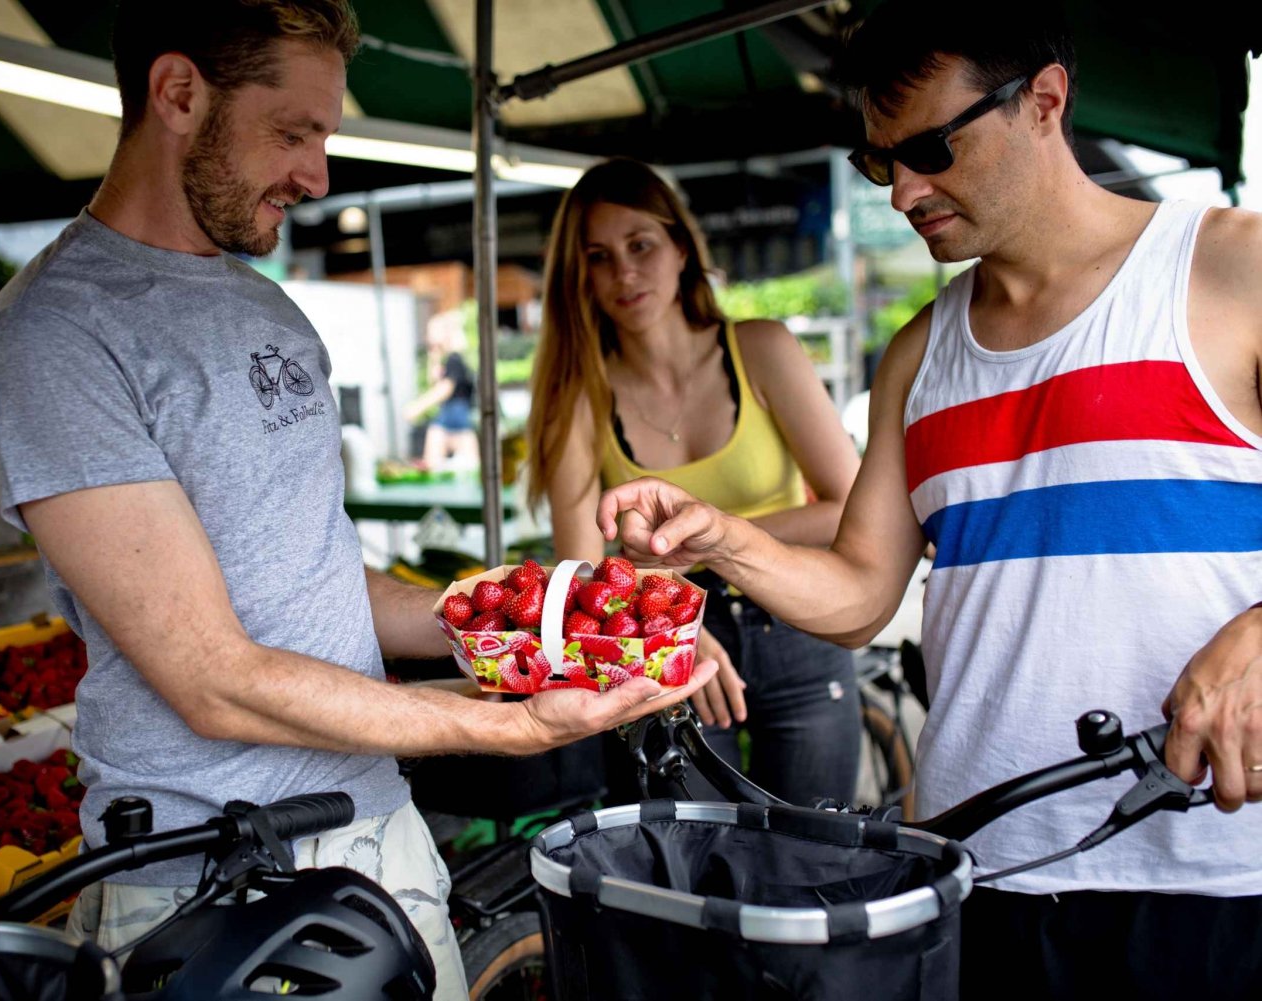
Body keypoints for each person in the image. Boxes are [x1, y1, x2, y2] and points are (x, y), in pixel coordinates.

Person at [0, 2, 715, 995]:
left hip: (378, 836)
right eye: (293, 132)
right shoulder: (54, 332)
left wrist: (545, 625)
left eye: (323, 137)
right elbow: (210, 676)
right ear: (179, 93)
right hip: (210, 874)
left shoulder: (270, 309)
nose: (318, 176)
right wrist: (500, 722)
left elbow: (316, 572)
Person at [597, 3, 1262, 998]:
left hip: (1213, 875)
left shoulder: (1230, 270)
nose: (905, 190)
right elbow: (862, 588)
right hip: (975, 867)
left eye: (930, 150)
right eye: (880, 162)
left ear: (1045, 99)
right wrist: (723, 540)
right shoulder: (920, 351)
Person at [525, 158, 864, 806]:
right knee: (693, 878)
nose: (624, 272)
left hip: (797, 624)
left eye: (640, 245)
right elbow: (581, 569)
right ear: (581, 279)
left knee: (812, 866)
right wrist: (673, 629)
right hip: (665, 640)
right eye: (599, 257)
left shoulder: (761, 348)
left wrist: (710, 539)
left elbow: (849, 505)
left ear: (681, 246)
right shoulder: (579, 400)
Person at [404, 310, 479, 471]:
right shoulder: (448, 360)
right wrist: (434, 355)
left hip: (457, 420)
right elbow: (435, 382)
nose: (428, 336)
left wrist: (417, 407)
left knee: (466, 470)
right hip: (451, 420)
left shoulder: (455, 359)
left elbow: (445, 389)